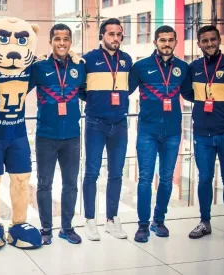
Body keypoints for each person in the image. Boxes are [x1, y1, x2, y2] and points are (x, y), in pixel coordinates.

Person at [128, 25, 190, 243]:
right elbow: (123, 90)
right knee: (144, 179)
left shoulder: (183, 68)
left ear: (175, 42)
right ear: (155, 42)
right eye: (162, 40)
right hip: (147, 131)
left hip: (173, 132)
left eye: (170, 40)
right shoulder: (141, 67)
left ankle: (159, 221)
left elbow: (193, 94)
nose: (166, 44)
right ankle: (143, 225)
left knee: (166, 179)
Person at [29, 24, 86, 245]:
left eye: (66, 39)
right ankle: (45, 229)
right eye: (57, 39)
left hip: (72, 135)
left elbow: (88, 92)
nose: (62, 43)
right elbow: (20, 87)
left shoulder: (79, 67)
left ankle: (67, 228)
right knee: (44, 184)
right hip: (46, 135)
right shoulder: (40, 67)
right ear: (50, 41)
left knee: (70, 183)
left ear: (71, 42)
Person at [80, 18, 133, 241]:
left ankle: (112, 220)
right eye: (111, 34)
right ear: (102, 35)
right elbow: (81, 90)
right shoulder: (89, 60)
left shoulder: (127, 60)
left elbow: (128, 89)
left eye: (119, 34)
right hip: (95, 123)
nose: (115, 38)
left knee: (117, 174)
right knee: (91, 173)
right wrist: (96, 102)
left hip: (120, 124)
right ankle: (90, 220)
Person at [182, 25, 224, 239]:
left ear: (219, 41)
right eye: (205, 40)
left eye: (212, 39)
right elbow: (187, 91)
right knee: (205, 179)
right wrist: (204, 101)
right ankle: (205, 222)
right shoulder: (194, 67)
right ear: (199, 44)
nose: (209, 44)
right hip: (202, 134)